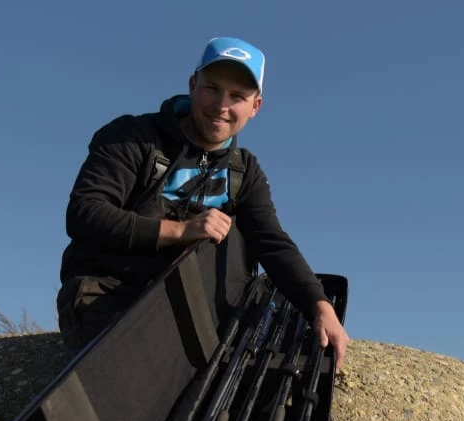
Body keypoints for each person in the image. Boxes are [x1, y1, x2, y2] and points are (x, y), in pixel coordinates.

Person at [57, 36, 349, 367]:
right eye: (212, 88)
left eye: (237, 96)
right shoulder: (132, 136)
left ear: (255, 106)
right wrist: (180, 230)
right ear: (193, 85)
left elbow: (272, 242)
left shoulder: (244, 171)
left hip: (181, 308)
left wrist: (319, 306)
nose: (222, 105)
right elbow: (85, 213)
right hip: (105, 292)